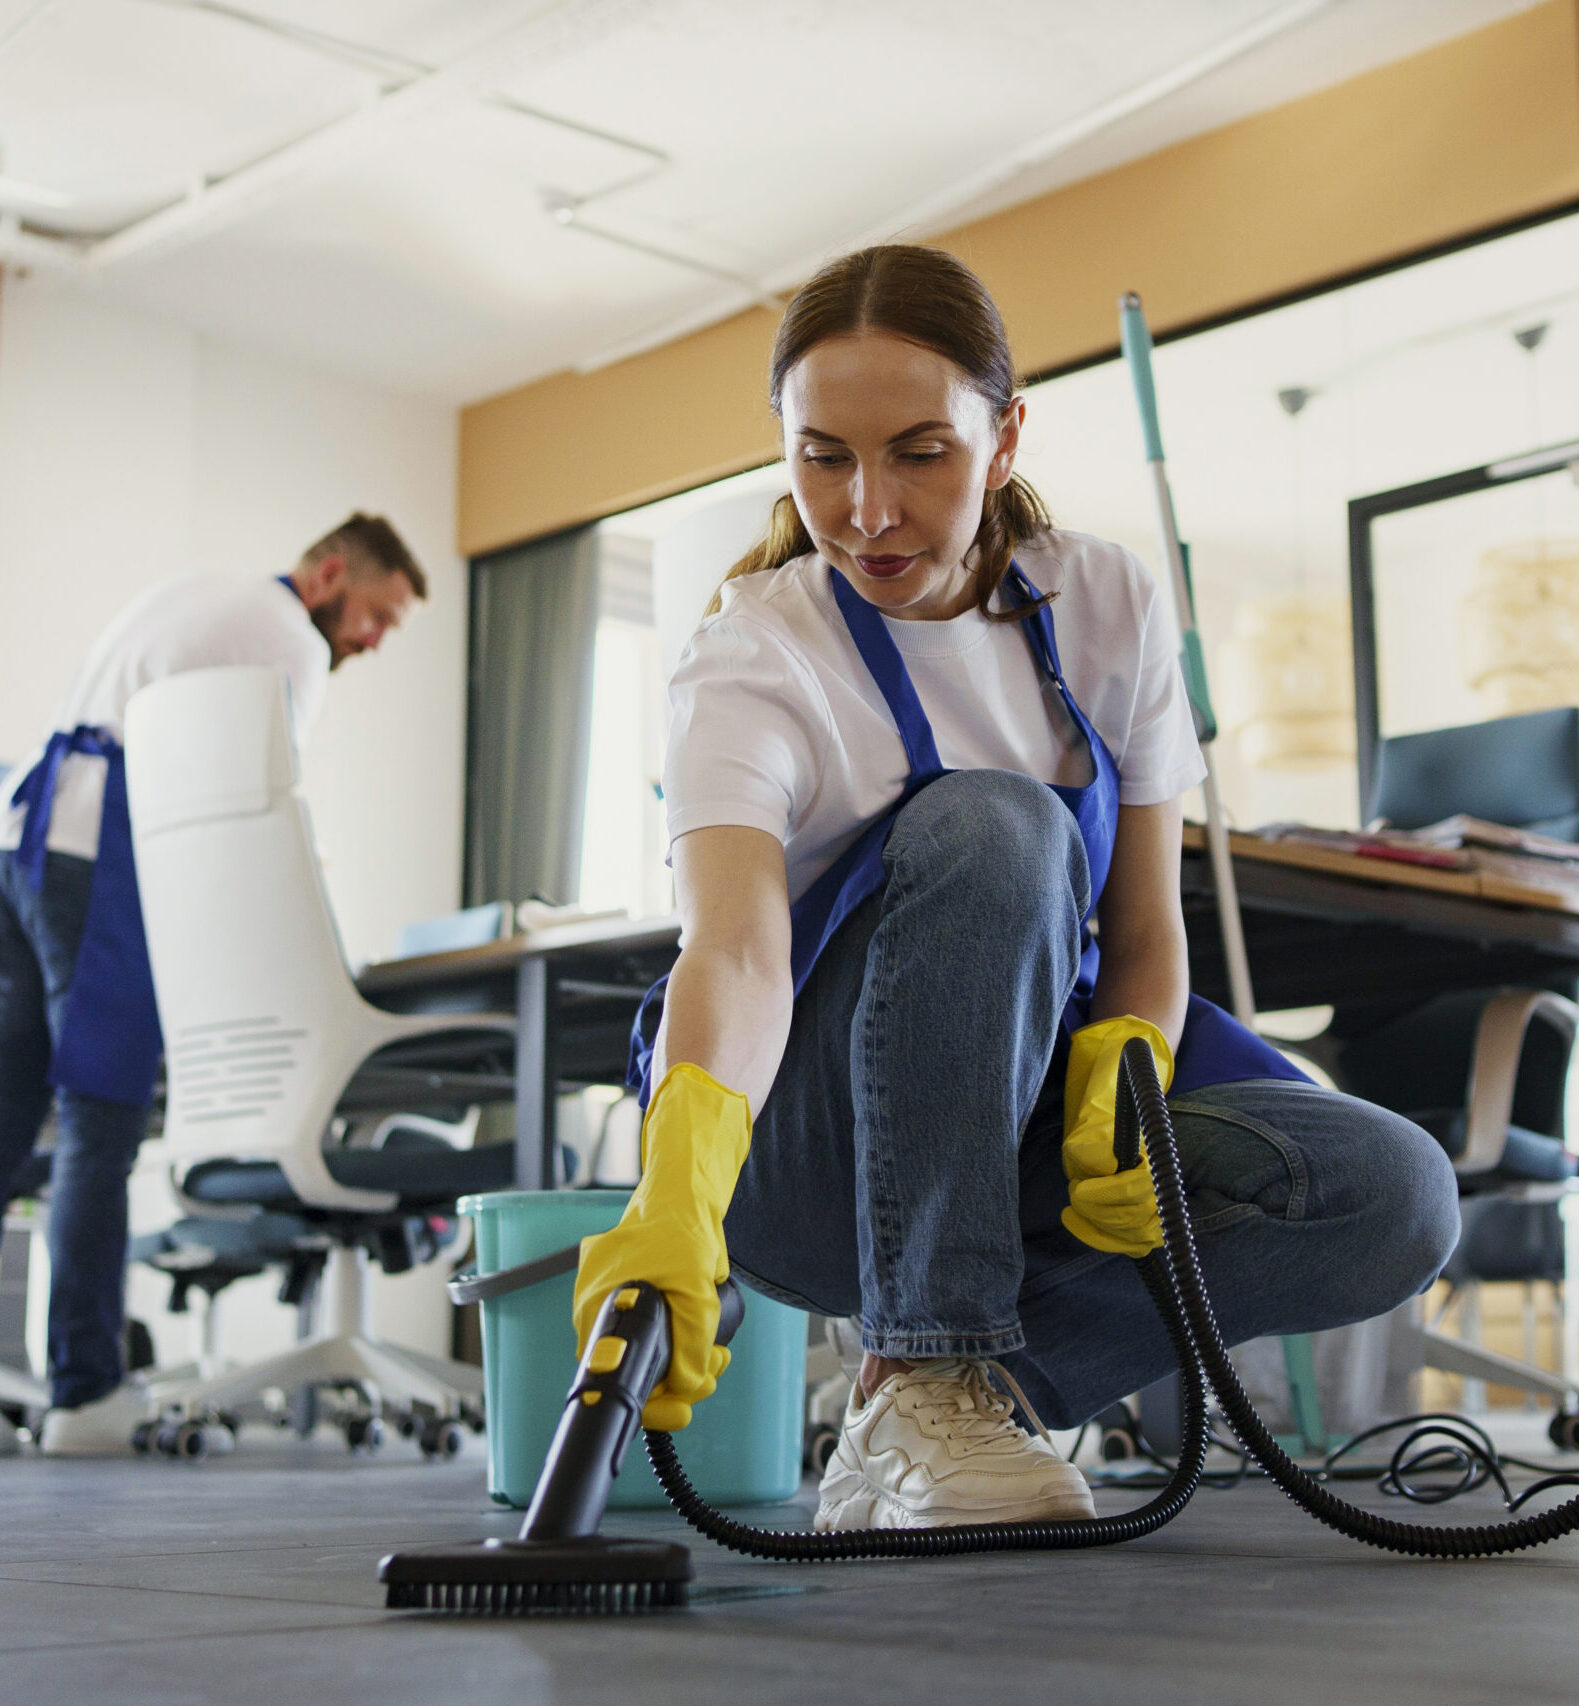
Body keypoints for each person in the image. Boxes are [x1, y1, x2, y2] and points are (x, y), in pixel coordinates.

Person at [574, 246, 1459, 1529]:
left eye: (918, 452)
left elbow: (1149, 932)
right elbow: (737, 951)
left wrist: (1132, 1056)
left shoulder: (1100, 600)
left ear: (1002, 440)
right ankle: (925, 1355)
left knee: (1389, 1195)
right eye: (822, 456)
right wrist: (677, 1187)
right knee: (999, 821)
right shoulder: (753, 655)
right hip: (808, 1153)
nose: (867, 508)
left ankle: (941, 1395)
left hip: (1022, 1122)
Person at [0, 514, 426, 1454]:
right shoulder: (285, 641)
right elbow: (260, 817)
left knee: (8, 1123)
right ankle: (84, 1392)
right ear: (326, 576)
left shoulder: (196, 595)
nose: (372, 641)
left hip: (21, 836)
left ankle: (56, 1385)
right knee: (99, 1123)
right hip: (96, 850)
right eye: (375, 616)